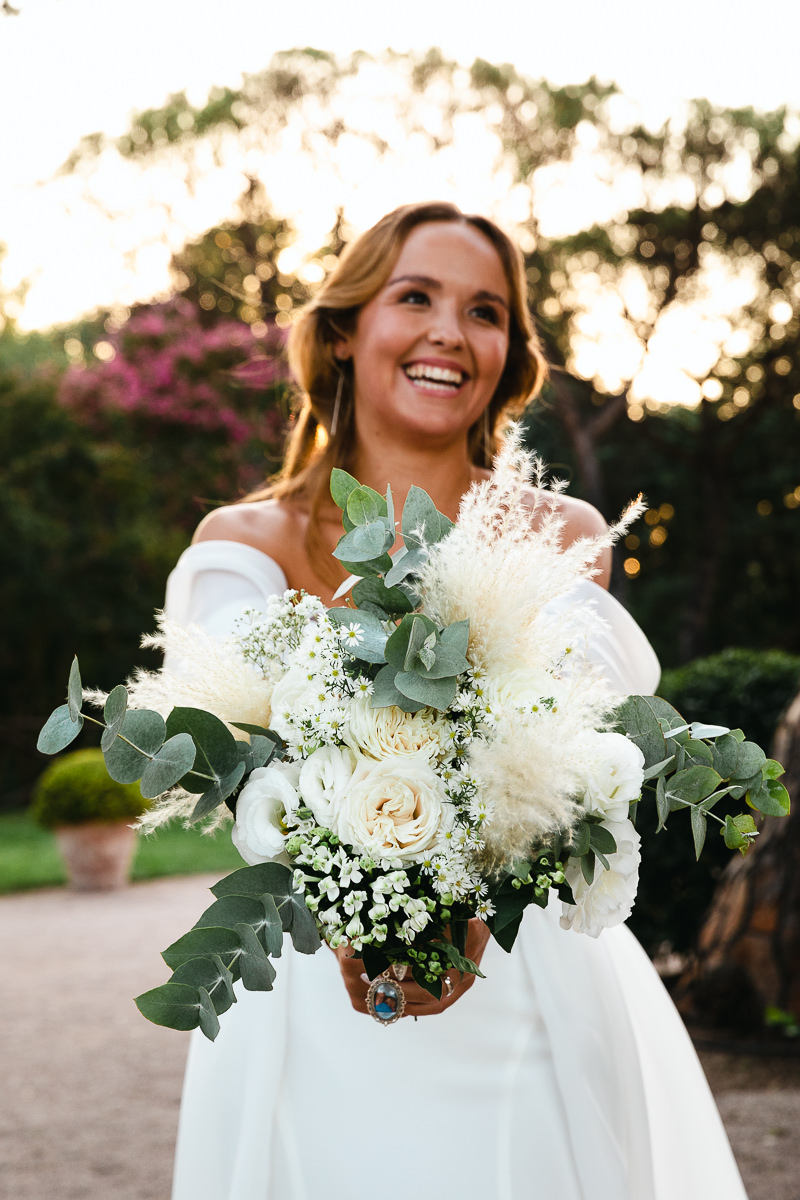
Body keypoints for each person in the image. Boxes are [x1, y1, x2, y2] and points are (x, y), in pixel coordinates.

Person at [166, 202, 748, 1199]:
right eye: (414, 297)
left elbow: (568, 740)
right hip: (311, 988)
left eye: (483, 311)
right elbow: (237, 770)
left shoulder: (558, 532)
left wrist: (466, 899)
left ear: (504, 355)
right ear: (345, 331)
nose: (448, 330)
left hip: (525, 979)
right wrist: (367, 912)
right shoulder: (247, 540)